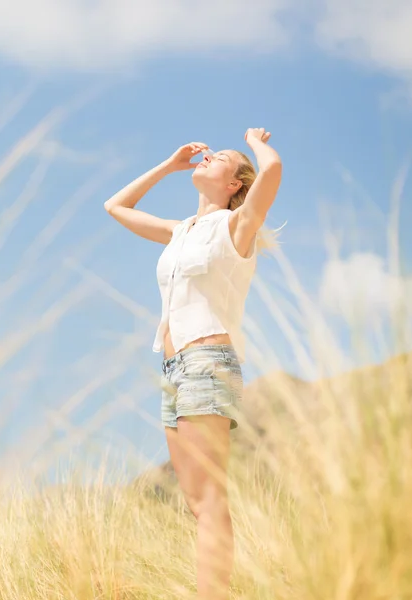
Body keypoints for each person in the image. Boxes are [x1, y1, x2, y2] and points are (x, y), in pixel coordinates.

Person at [104, 128, 282, 599]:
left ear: (233, 184)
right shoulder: (180, 231)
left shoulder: (237, 225)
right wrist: (168, 165)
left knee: (209, 498)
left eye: (220, 158)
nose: (207, 158)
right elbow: (116, 207)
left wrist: (254, 141)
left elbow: (273, 170)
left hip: (208, 360)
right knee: (195, 502)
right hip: (173, 371)